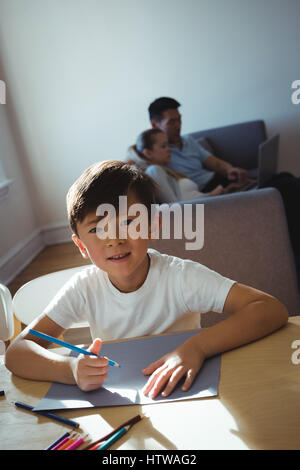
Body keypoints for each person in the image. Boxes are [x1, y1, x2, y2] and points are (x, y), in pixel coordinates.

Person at [5, 161, 288, 398]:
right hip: (122, 400)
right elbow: (16, 352)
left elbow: (269, 309)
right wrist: (69, 370)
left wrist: (197, 347)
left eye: (129, 222)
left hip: (185, 393)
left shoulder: (180, 276)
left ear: (153, 226)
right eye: (98, 229)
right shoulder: (84, 288)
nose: (115, 239)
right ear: (80, 246)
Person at [148, 96, 300, 277]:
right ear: (155, 124)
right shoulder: (157, 152)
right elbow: (139, 159)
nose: (178, 125)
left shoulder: (188, 141)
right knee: (285, 188)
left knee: (285, 178)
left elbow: (212, 162)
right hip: (208, 191)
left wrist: (231, 170)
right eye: (171, 121)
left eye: (179, 119)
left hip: (218, 180)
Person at [134, 128, 229, 202]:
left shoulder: (165, 171)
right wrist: (212, 196)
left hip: (207, 204)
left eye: (168, 145)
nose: (169, 149)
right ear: (148, 153)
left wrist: (213, 195)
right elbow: (174, 207)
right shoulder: (154, 170)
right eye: (163, 146)